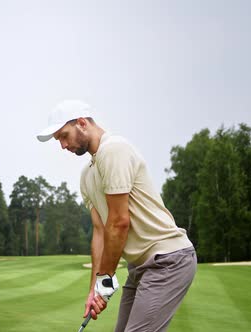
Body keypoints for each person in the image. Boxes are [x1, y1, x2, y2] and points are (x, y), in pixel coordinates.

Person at [36, 100, 197, 332]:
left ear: (82, 123)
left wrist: (106, 279)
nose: (62, 146)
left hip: (168, 259)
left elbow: (119, 223)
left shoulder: (114, 149)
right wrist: (94, 289)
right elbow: (100, 232)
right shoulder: (86, 175)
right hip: (140, 268)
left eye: (64, 136)